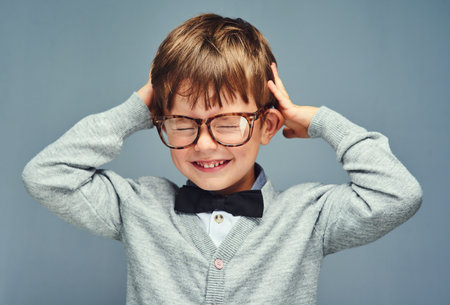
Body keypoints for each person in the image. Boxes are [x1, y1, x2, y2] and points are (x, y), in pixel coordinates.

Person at [22, 13, 422, 305]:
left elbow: (398, 194)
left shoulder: (308, 217)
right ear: (159, 120)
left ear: (267, 126)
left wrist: (320, 121)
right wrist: (137, 109)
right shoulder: (138, 207)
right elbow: (46, 175)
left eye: (227, 123)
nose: (205, 144)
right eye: (183, 123)